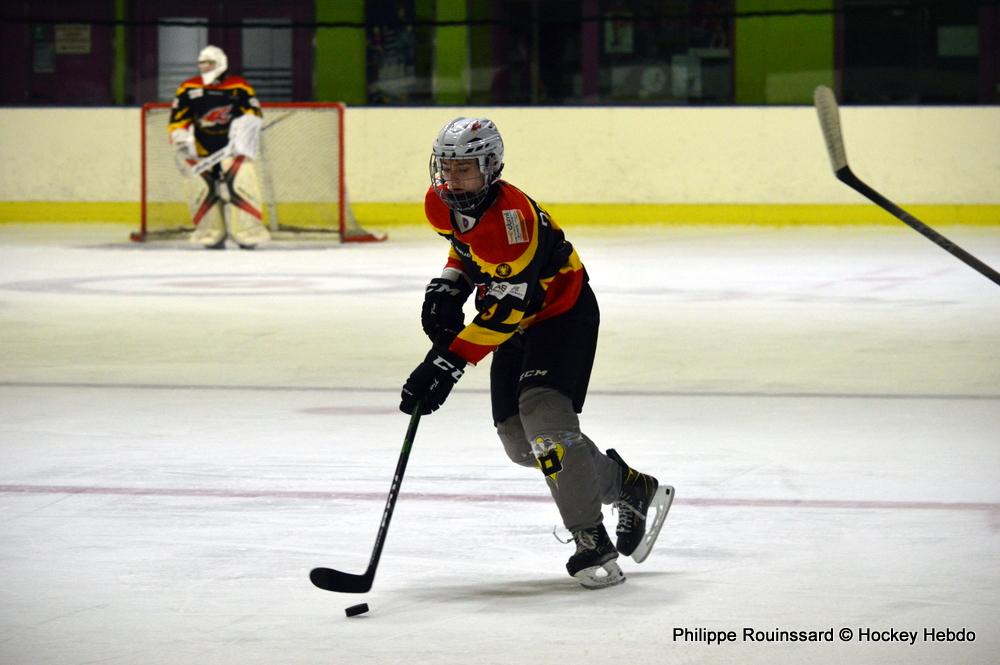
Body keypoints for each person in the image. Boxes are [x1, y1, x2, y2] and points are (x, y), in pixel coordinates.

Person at [400, 117, 674, 588]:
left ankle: (591, 539)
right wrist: (450, 285)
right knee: (520, 443)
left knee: (546, 425)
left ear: (491, 166)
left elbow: (506, 311)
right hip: (514, 316)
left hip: (560, 316)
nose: (452, 178)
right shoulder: (439, 203)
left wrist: (446, 363)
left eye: (465, 168)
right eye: (447, 167)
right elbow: (466, 250)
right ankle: (629, 485)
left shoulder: (514, 223)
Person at [167, 45, 269, 249]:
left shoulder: (239, 86)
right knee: (200, 189)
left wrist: (244, 132)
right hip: (201, 151)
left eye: (209, 63)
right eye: (201, 63)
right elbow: (177, 118)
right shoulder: (188, 87)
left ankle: (248, 232)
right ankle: (210, 232)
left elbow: (255, 113)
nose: (204, 67)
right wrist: (180, 135)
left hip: (234, 151)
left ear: (221, 63)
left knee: (243, 183)